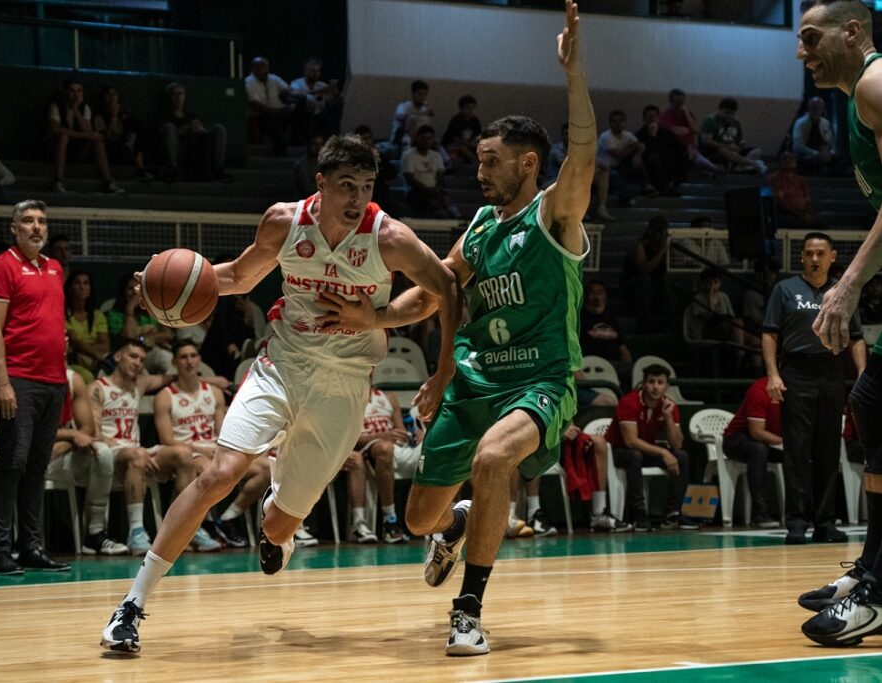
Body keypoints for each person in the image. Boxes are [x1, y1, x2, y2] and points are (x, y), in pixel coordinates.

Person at [100, 132, 460, 653]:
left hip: (343, 385)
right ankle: (131, 607)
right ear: (320, 184)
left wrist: (423, 355)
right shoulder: (284, 222)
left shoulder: (389, 238)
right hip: (281, 365)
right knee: (218, 474)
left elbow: (445, 287)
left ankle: (279, 523)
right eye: (345, 186)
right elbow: (239, 277)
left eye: (365, 186)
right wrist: (168, 292)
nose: (356, 198)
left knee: (276, 524)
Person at [317, 2, 596, 656]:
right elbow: (437, 290)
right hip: (473, 382)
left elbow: (581, 155)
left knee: (494, 458)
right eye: (477, 159)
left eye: (491, 160)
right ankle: (461, 523)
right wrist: (375, 314)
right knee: (420, 517)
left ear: (528, 163)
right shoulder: (479, 226)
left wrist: (575, 75)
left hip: (538, 381)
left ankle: (468, 606)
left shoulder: (555, 214)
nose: (479, 170)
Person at [793, 0, 882, 646]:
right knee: (874, 405)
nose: (802, 52)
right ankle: (872, 569)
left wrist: (847, 283)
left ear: (852, 32)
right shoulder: (859, 100)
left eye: (811, 37)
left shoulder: (876, 85)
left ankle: (878, 587)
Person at [0, 199, 70, 575]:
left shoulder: (54, 268)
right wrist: (2, 383)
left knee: (37, 467)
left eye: (42, 221)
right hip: (18, 379)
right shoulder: (1, 267)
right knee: (13, 464)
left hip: (53, 381)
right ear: (14, 228)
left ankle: (31, 547)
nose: (36, 227)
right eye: (28, 221)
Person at [762, 232, 866, 546]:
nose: (814, 259)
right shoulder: (785, 289)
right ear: (802, 257)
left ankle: (824, 522)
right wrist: (772, 374)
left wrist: (861, 374)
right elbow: (769, 334)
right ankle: (796, 522)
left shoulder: (842, 292)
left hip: (832, 372)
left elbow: (858, 337)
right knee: (796, 451)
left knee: (827, 451)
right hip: (796, 371)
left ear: (832, 256)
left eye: (820, 253)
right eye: (809, 253)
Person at [89, 339, 200, 555]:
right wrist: (125, 448)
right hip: (107, 453)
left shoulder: (139, 385)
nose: (138, 363)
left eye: (142, 359)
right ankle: (136, 532)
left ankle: (187, 527)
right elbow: (93, 433)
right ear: (118, 357)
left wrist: (216, 382)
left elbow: (175, 377)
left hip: (135, 453)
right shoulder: (97, 388)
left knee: (184, 454)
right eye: (133, 357)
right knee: (137, 454)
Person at [153, 339, 243, 551]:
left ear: (200, 359)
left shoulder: (214, 393)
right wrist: (201, 449)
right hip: (188, 451)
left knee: (264, 468)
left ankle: (227, 519)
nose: (189, 361)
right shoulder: (165, 396)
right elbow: (166, 439)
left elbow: (223, 432)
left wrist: (222, 448)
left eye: (193, 356)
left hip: (214, 449)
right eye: (183, 357)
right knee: (207, 470)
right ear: (175, 362)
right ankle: (203, 525)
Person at [605, 364, 698, 532]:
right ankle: (639, 515)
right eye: (651, 382)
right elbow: (630, 441)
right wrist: (663, 452)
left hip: (644, 450)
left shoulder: (669, 406)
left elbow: (677, 443)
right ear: (644, 383)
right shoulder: (629, 402)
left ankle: (673, 513)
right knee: (634, 456)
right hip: (617, 452)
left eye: (660, 382)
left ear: (667, 386)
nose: (655, 387)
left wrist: (668, 417)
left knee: (681, 456)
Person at [48, 363, 128, 555]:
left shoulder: (73, 379)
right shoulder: (27, 377)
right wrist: (71, 435)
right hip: (34, 459)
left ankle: (95, 533)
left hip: (62, 453)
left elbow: (87, 430)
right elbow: (33, 434)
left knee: (103, 453)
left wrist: (69, 441)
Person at [352, 387, 413, 543]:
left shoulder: (389, 397)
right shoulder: (348, 397)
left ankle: (442, 520)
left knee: (440, 449)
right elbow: (351, 439)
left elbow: (401, 430)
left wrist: (403, 435)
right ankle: (390, 519)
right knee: (384, 448)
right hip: (370, 447)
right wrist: (382, 436)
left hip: (398, 447)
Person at [722, 376, 783, 528]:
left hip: (772, 442)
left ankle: (811, 511)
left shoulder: (799, 391)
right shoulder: (759, 390)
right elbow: (756, 432)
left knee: (804, 454)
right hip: (737, 439)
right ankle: (760, 513)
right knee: (758, 449)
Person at [46, 77, 124, 194]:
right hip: (56, 148)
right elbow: (56, 129)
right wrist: (82, 135)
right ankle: (58, 181)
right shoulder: (56, 106)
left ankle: (108, 181)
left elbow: (87, 131)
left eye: (79, 91)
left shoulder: (85, 108)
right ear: (66, 92)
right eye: (72, 91)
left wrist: (76, 109)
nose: (75, 94)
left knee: (97, 141)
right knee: (63, 137)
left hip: (77, 149)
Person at [161, 82, 230, 182]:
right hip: (178, 150)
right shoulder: (164, 116)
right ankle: (173, 170)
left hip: (194, 149)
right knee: (169, 126)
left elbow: (202, 133)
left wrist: (199, 129)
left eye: (181, 94)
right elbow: (165, 134)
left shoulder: (191, 116)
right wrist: (186, 129)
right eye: (175, 94)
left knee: (219, 129)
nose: (178, 97)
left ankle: (218, 170)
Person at [619, 215, 669, 332]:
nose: (661, 235)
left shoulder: (666, 247)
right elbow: (644, 270)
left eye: (663, 231)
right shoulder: (640, 245)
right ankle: (645, 327)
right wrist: (662, 251)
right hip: (633, 284)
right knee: (645, 282)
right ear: (650, 231)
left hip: (657, 284)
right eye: (658, 231)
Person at [93, 85, 153, 180]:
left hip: (126, 149)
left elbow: (132, 129)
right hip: (110, 150)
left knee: (136, 127)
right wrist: (113, 119)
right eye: (109, 94)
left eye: (114, 94)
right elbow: (105, 137)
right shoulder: (99, 117)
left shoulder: (124, 116)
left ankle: (140, 168)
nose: (112, 97)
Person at [402, 125, 458, 218]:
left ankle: (457, 218)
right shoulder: (408, 155)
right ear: (417, 138)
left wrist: (437, 188)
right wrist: (429, 191)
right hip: (415, 191)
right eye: (423, 138)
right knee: (428, 200)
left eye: (429, 138)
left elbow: (441, 175)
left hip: (434, 190)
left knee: (447, 198)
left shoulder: (436, 155)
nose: (426, 141)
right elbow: (410, 179)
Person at [700, 97, 767, 174]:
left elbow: (740, 140)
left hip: (732, 150)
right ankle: (752, 163)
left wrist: (739, 146)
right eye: (726, 113)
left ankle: (740, 166)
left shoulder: (736, 122)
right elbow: (706, 141)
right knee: (723, 151)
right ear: (720, 109)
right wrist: (727, 146)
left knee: (757, 151)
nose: (729, 116)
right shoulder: (710, 121)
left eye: (732, 113)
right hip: (715, 151)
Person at [64, 269, 110, 383]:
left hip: (93, 358)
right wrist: (96, 354)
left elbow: (105, 345)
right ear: (70, 289)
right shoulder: (64, 315)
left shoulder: (98, 315)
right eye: (77, 283)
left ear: (90, 289)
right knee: (88, 376)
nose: (82, 287)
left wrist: (84, 349)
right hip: (74, 362)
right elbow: (75, 342)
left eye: (86, 283)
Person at [579, 280, 631, 376]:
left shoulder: (612, 320)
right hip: (591, 365)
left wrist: (630, 365)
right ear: (585, 296)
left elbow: (622, 348)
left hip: (615, 366)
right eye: (592, 292)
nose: (596, 296)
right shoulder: (579, 319)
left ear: (606, 297)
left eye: (600, 292)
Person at [635, 104, 689, 195]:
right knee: (654, 157)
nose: (653, 119)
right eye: (650, 117)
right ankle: (665, 187)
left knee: (684, 156)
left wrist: (689, 150)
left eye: (655, 116)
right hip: (650, 165)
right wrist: (652, 136)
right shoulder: (640, 134)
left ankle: (673, 185)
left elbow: (680, 147)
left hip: (668, 162)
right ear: (644, 119)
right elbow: (648, 152)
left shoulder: (666, 132)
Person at [245, 57, 293, 155]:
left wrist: (289, 97)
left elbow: (288, 89)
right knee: (272, 118)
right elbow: (256, 104)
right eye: (263, 68)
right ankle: (279, 148)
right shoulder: (248, 82)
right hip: (261, 113)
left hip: (279, 110)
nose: (266, 71)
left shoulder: (273, 78)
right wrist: (275, 110)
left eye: (267, 67)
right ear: (254, 68)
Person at [289, 58, 344, 138]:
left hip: (321, 114)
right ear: (305, 71)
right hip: (303, 115)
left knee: (338, 102)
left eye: (318, 71)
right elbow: (296, 94)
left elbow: (332, 98)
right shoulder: (297, 83)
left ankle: (332, 137)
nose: (316, 74)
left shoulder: (321, 85)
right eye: (313, 71)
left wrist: (335, 93)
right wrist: (319, 92)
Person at [768, 151, 817, 228]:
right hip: (787, 214)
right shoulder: (774, 178)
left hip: (803, 213)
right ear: (779, 162)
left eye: (791, 158)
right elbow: (780, 201)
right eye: (785, 158)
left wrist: (806, 213)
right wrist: (799, 215)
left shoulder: (801, 179)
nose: (788, 160)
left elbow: (807, 198)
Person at [792, 96, 838, 175]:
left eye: (819, 108)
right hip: (808, 154)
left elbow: (831, 143)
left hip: (824, 154)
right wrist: (817, 153)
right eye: (814, 108)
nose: (816, 110)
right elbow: (798, 146)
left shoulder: (825, 123)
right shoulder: (800, 123)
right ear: (809, 108)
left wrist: (830, 152)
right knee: (812, 160)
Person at [442, 95, 483, 165]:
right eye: (468, 108)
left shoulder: (475, 121)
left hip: (468, 145)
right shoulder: (456, 120)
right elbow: (455, 139)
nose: (470, 111)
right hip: (452, 145)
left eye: (472, 108)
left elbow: (478, 136)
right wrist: (470, 145)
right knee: (462, 148)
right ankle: (476, 163)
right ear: (461, 108)